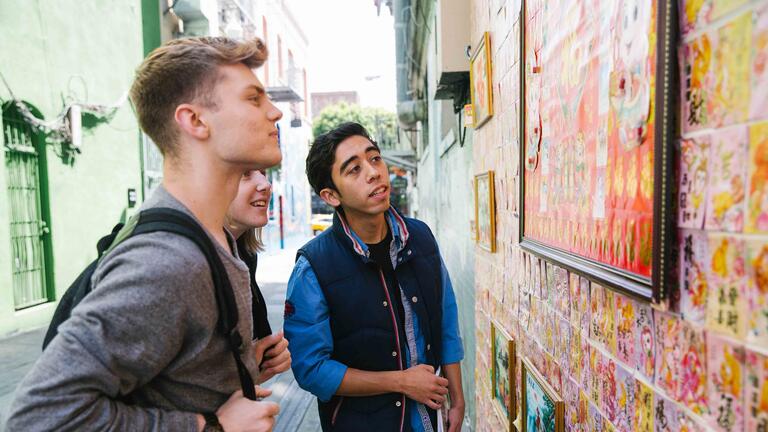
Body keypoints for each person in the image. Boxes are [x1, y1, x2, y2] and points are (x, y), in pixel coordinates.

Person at [6, 37, 284, 432]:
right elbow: (40, 417)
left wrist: (237, 365)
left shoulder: (215, 238)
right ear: (195, 121)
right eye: (253, 98)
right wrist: (210, 425)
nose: (273, 112)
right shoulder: (167, 261)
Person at [284, 122, 465, 432]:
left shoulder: (419, 238)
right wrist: (401, 382)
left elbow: (446, 319)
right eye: (354, 170)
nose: (373, 172)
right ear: (331, 195)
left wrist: (457, 398)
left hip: (425, 420)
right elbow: (311, 368)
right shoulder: (314, 266)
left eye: (375, 158)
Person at [226, 168, 291, 382]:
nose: (266, 184)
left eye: (263, 172)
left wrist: (258, 370)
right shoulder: (170, 257)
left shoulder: (245, 254)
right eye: (245, 172)